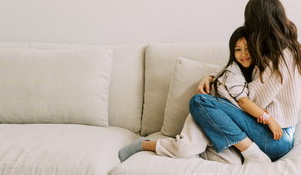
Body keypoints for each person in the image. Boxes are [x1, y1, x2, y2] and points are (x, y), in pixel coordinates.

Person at [118, 25, 287, 163]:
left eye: (247, 49)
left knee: (233, 162)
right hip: (206, 114)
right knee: (182, 150)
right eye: (237, 50)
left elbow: (221, 73)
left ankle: (204, 148)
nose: (243, 54)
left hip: (223, 124)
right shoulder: (233, 71)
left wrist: (209, 76)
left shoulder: (254, 71)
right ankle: (144, 145)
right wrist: (267, 118)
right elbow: (242, 101)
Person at [189, 0, 301, 164]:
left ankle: (251, 153)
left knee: (199, 102)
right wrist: (212, 76)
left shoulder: (282, 57)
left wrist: (224, 86)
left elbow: (252, 100)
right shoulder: (276, 50)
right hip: (273, 133)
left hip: (275, 137)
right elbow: (239, 64)